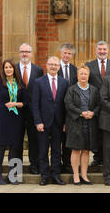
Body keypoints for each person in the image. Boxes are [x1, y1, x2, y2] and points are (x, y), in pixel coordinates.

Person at [32, 56, 69, 186]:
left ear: (59, 67)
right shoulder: (38, 82)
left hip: (58, 122)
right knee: (42, 150)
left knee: (56, 151)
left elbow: (66, 105)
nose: (53, 67)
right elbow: (35, 104)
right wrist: (38, 121)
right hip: (43, 122)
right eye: (51, 64)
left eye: (55, 65)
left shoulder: (64, 82)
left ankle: (55, 175)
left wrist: (65, 122)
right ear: (46, 66)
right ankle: (44, 176)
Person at [0, 59, 27, 185]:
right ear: (3, 69)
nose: (8, 69)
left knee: (14, 148)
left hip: (17, 119)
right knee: (1, 147)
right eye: (6, 67)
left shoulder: (20, 84)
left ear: (14, 69)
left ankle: (12, 176)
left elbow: (26, 103)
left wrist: (15, 103)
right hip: (3, 118)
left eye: (10, 67)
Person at [64, 64, 100, 185]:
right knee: (76, 149)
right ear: (77, 76)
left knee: (86, 150)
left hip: (90, 124)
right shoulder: (71, 89)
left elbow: (99, 105)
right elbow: (68, 105)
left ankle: (84, 175)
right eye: (81, 74)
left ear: (88, 76)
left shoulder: (94, 90)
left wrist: (93, 113)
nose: (83, 76)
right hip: (76, 123)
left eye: (85, 74)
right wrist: (81, 113)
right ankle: (76, 175)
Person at [85, 40, 110, 165]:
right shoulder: (89, 65)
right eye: (100, 49)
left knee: (108, 132)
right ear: (96, 51)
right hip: (94, 104)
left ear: (108, 51)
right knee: (96, 131)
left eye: (104, 49)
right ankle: (97, 157)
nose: (102, 52)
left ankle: (109, 157)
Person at [16, 43, 44, 174]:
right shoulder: (13, 69)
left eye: (27, 51)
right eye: (22, 51)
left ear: (31, 54)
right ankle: (16, 168)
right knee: (16, 141)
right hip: (16, 111)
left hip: (33, 111)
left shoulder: (38, 70)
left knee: (34, 140)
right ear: (19, 53)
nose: (24, 54)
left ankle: (34, 165)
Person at [58, 43, 78, 174]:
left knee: (68, 139)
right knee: (56, 139)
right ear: (61, 53)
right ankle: (56, 164)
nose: (66, 55)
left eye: (69, 53)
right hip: (56, 109)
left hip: (70, 110)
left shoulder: (75, 70)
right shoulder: (54, 67)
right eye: (64, 53)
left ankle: (67, 164)